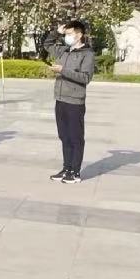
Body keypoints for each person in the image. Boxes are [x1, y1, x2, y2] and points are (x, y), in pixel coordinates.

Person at [45, 21, 96, 184]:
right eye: (66, 34)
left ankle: (75, 172)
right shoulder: (64, 50)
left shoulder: (87, 54)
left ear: (79, 35)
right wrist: (57, 32)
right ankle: (66, 168)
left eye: (69, 34)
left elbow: (85, 77)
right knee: (64, 136)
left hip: (75, 101)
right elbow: (47, 45)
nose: (67, 37)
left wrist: (63, 70)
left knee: (75, 137)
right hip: (60, 99)